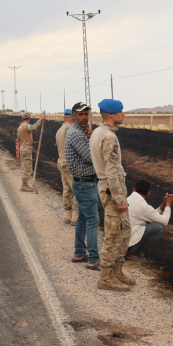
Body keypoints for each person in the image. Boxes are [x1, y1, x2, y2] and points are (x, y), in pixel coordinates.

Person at [89, 98, 134, 291]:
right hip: (111, 188)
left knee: (123, 232)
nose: (123, 115)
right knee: (114, 234)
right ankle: (106, 278)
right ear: (111, 115)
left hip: (109, 186)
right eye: (121, 112)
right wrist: (119, 199)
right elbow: (111, 170)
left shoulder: (99, 132)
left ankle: (116, 271)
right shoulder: (108, 137)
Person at [64, 102, 100, 270]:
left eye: (86, 114)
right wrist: (95, 141)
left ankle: (79, 252)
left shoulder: (80, 132)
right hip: (85, 184)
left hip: (82, 183)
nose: (84, 117)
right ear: (73, 115)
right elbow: (89, 156)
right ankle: (93, 258)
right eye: (81, 114)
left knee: (83, 218)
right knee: (93, 219)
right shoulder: (77, 135)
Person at [125, 179, 173, 263]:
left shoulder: (128, 199)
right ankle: (136, 254)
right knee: (158, 227)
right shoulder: (143, 206)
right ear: (149, 193)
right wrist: (168, 205)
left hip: (120, 241)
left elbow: (151, 214)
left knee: (149, 222)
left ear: (134, 189)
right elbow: (164, 221)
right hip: (128, 246)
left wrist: (164, 204)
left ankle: (131, 252)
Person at [55, 109, 78, 225]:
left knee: (67, 189)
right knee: (76, 189)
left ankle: (68, 216)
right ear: (73, 117)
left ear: (64, 118)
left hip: (61, 162)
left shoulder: (59, 130)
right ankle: (75, 217)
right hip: (69, 163)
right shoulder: (70, 129)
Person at [17, 111, 46, 192]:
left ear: (22, 118)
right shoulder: (26, 126)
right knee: (27, 167)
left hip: (22, 148)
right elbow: (33, 127)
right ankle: (24, 185)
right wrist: (41, 119)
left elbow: (18, 139)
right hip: (26, 148)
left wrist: (21, 147)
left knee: (24, 166)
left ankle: (25, 184)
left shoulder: (19, 127)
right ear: (29, 118)